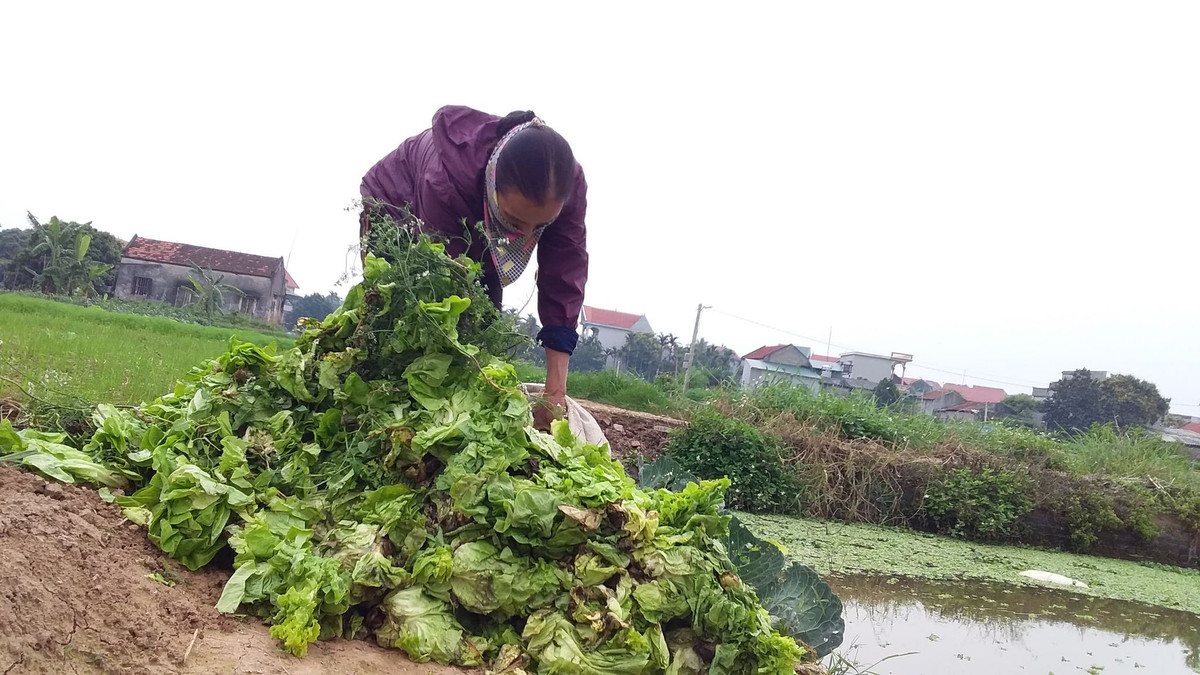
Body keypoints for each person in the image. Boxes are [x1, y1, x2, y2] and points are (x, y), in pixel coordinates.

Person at [359, 106, 588, 430]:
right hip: (395, 205)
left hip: (470, 221)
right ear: (493, 189)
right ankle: (378, 411)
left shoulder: (568, 187)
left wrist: (555, 391)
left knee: (484, 324)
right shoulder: (445, 182)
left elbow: (564, 276)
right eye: (515, 221)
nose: (524, 236)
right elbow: (447, 289)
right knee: (400, 318)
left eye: (540, 225)